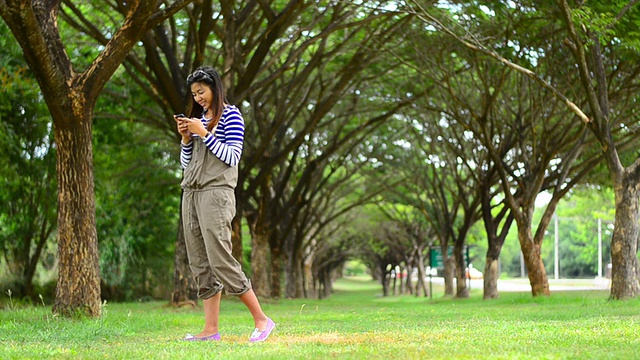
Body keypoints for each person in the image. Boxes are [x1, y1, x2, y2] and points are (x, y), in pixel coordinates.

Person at [174, 66, 275, 342]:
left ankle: (262, 320)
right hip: (191, 194)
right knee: (200, 263)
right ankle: (210, 330)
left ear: (215, 88)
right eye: (194, 94)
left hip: (216, 194)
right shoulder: (199, 118)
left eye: (202, 92)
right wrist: (186, 138)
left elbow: (232, 156)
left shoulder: (231, 115)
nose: (198, 98)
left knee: (220, 259)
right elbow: (187, 164)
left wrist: (204, 134)